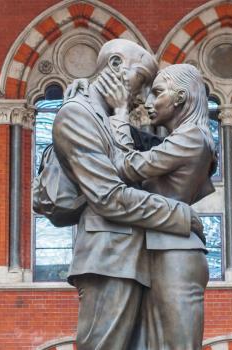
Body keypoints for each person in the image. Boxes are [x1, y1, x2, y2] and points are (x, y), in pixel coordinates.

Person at [52, 40, 204, 350]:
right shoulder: (78, 115)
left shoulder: (106, 117)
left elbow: (150, 152)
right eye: (144, 79)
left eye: (154, 88)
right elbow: (108, 196)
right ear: (117, 66)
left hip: (136, 256)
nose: (145, 93)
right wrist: (180, 215)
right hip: (108, 257)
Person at [98, 63, 217, 349]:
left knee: (177, 344)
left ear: (181, 97)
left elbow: (126, 167)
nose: (150, 103)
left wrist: (119, 114)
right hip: (161, 248)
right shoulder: (182, 138)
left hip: (174, 251)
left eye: (158, 93)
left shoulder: (191, 136)